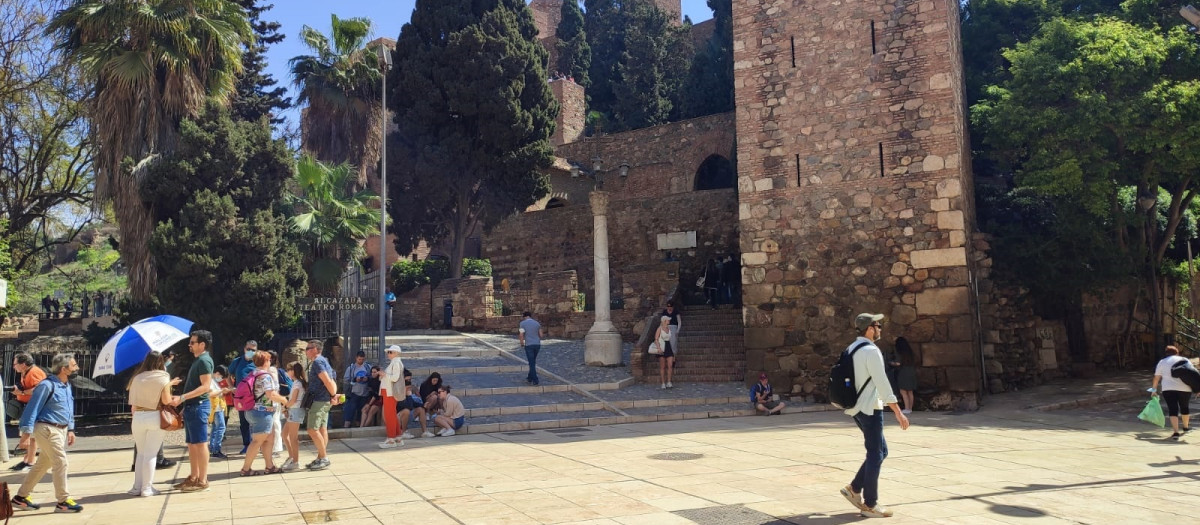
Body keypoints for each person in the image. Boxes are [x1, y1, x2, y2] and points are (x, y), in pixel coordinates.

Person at [839, 313, 910, 519]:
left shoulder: (851, 349)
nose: (880, 329)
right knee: (876, 453)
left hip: (857, 408)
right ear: (869, 329)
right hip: (870, 408)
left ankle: (853, 488)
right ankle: (870, 504)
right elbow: (883, 382)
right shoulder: (871, 351)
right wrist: (898, 412)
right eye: (878, 325)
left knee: (880, 451)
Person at [10, 353, 82, 513]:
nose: (77, 368)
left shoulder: (66, 385)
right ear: (64, 369)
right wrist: (26, 434)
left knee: (44, 464)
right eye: (74, 365)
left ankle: (20, 497)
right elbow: (31, 409)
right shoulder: (46, 385)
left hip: (61, 429)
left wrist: (70, 429)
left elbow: (68, 408)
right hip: (47, 428)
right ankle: (63, 501)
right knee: (60, 462)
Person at [127, 351, 181, 497]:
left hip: (138, 417)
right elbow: (165, 400)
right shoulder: (163, 376)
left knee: (141, 454)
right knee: (151, 454)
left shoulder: (137, 378)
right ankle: (147, 488)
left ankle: (136, 487)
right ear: (161, 361)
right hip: (154, 416)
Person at [172, 329, 216, 492]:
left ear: (202, 344)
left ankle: (202, 479)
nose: (189, 345)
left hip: (198, 406)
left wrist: (183, 398)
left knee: (200, 443)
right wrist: (185, 405)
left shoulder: (204, 361)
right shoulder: (199, 361)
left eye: (192, 342)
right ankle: (193, 477)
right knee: (192, 444)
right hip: (192, 406)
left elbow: (205, 387)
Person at [239, 351, 289, 476]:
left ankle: (270, 466)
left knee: (269, 439)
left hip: (254, 411)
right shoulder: (265, 376)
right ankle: (246, 469)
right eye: (269, 359)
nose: (270, 361)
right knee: (257, 441)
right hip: (262, 412)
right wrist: (284, 400)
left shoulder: (254, 373)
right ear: (266, 361)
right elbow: (270, 394)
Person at [305, 339, 339, 470]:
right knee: (322, 429)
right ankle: (320, 457)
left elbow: (327, 380)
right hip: (324, 400)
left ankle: (323, 458)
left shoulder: (318, 362)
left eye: (308, 348)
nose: (306, 351)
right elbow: (331, 379)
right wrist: (332, 395)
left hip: (319, 400)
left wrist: (333, 395)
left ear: (314, 349)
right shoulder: (324, 361)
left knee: (312, 429)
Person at [9, 352, 47, 472]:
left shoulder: (34, 372)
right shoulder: (26, 372)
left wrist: (22, 393)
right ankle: (27, 460)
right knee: (29, 435)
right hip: (28, 405)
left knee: (31, 435)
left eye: (15, 364)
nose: (13, 366)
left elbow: (38, 389)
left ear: (23, 364)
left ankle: (30, 462)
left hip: (34, 407)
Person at [1152, 345, 1193, 440]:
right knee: (1185, 407)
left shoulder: (1162, 362)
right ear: (1177, 352)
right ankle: (1186, 427)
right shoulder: (1185, 360)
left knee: (1172, 408)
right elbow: (1192, 374)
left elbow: (1156, 377)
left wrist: (1153, 390)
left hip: (1168, 388)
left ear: (1166, 353)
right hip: (1185, 388)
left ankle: (1175, 432)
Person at [229, 341, 257, 455]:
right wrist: (232, 387)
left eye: (253, 350)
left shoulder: (257, 362)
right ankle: (247, 444)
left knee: (256, 420)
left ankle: (256, 444)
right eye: (249, 349)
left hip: (255, 397)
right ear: (244, 349)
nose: (251, 352)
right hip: (241, 397)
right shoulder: (237, 361)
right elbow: (228, 375)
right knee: (243, 421)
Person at [281, 362, 307, 471]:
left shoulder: (297, 384)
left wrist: (285, 406)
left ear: (293, 371)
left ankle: (295, 461)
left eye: (288, 370)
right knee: (284, 434)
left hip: (295, 411)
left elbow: (293, 400)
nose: (287, 372)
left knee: (293, 437)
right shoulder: (297, 382)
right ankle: (292, 457)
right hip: (294, 411)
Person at [380, 345, 405, 448]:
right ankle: (398, 438)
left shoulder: (396, 363)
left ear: (396, 353)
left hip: (390, 392)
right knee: (392, 414)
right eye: (388, 352)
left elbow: (395, 378)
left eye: (390, 352)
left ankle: (391, 439)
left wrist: (384, 375)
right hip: (388, 391)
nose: (388, 354)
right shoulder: (394, 362)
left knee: (389, 415)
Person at [343, 351, 372, 428]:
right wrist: (355, 379)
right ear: (356, 358)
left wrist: (367, 379)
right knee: (350, 410)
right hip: (354, 393)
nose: (361, 361)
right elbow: (346, 381)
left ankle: (358, 424)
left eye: (362, 359)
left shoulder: (368, 367)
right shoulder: (351, 368)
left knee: (360, 410)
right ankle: (347, 425)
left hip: (365, 393)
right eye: (359, 359)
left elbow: (372, 377)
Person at [398, 369, 430, 439]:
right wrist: (407, 395)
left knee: (420, 409)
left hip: (406, 415)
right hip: (397, 417)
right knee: (406, 411)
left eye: (410, 380)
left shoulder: (408, 390)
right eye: (407, 380)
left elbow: (413, 403)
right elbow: (406, 406)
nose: (409, 382)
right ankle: (403, 432)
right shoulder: (398, 390)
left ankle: (425, 432)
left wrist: (423, 406)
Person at [889, 337, 917, 414]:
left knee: (903, 391)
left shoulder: (899, 352)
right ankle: (910, 408)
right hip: (911, 371)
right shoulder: (910, 352)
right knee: (910, 391)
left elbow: (898, 363)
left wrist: (891, 363)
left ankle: (907, 408)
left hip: (903, 372)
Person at [208, 365, 231, 459]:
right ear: (217, 373)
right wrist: (222, 390)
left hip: (218, 407)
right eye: (221, 376)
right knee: (221, 428)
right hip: (216, 409)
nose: (221, 379)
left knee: (215, 429)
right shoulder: (210, 381)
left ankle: (213, 448)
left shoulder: (213, 381)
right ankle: (216, 449)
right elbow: (210, 394)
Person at [518, 312, 544, 385]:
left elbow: (521, 334)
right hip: (537, 344)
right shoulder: (537, 323)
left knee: (531, 362)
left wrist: (521, 343)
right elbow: (541, 335)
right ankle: (529, 378)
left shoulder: (522, 324)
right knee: (532, 362)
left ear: (524, 317)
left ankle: (535, 380)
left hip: (529, 344)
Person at [655, 315, 675, 389]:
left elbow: (670, 339)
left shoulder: (669, 329)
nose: (669, 321)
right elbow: (656, 339)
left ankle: (669, 382)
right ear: (664, 321)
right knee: (662, 366)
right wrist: (658, 348)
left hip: (668, 347)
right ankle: (663, 382)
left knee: (670, 365)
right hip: (662, 347)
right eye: (668, 320)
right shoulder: (659, 329)